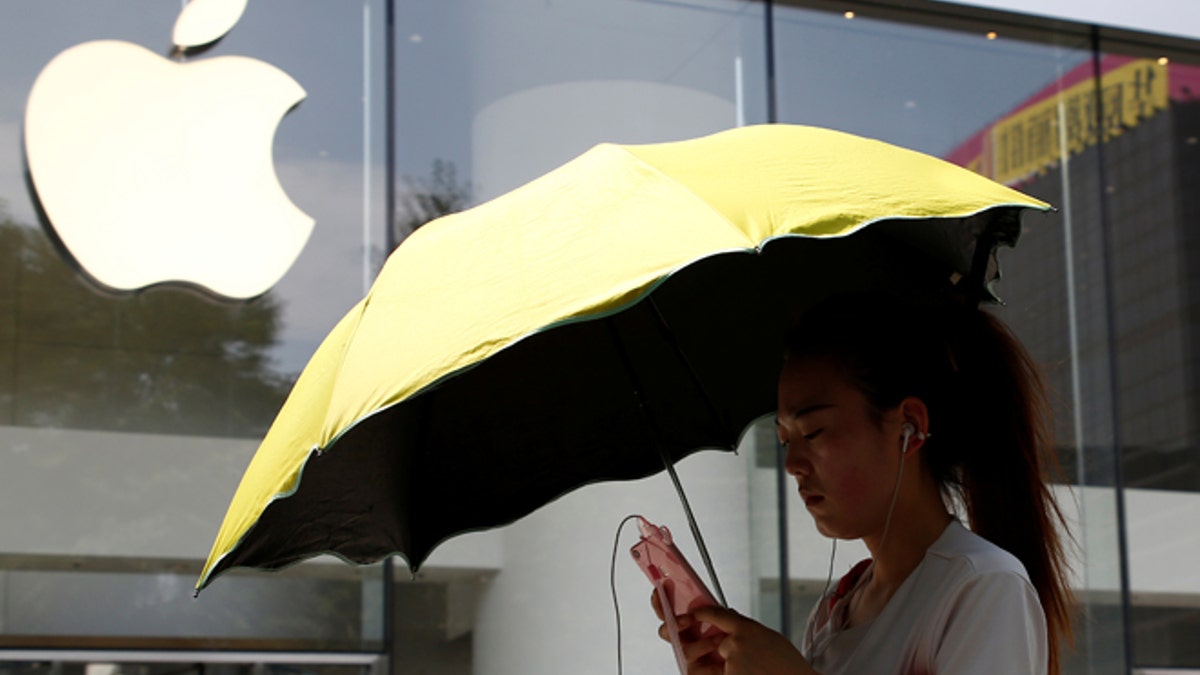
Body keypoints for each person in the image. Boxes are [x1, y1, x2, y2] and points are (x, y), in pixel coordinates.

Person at [653, 291, 1074, 675]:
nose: (792, 464)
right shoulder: (835, 610)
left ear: (909, 426)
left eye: (814, 432)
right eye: (784, 441)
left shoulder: (982, 585)